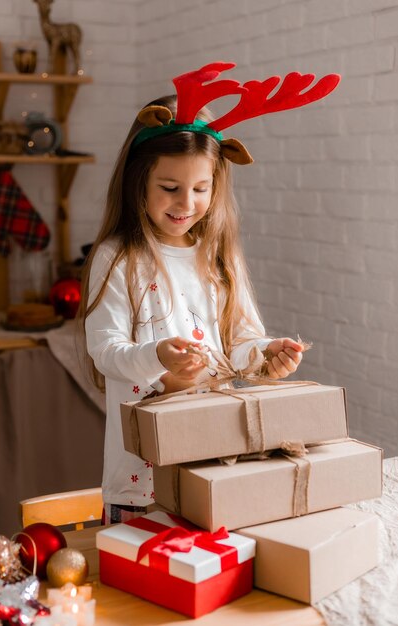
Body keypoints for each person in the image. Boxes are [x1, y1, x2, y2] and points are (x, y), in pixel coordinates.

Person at [79, 63, 340, 524]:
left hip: (215, 463)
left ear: (217, 186)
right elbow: (105, 351)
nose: (186, 203)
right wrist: (160, 356)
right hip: (141, 479)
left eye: (201, 189)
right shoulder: (119, 258)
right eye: (169, 188)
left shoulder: (220, 257)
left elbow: (239, 345)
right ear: (138, 180)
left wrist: (265, 354)